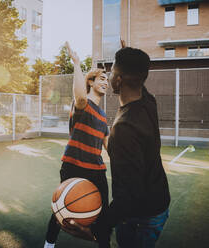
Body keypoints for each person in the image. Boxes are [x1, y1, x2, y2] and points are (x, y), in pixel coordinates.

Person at [68, 45, 171, 248]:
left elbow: (128, 197)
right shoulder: (150, 103)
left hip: (141, 217)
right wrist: (128, 57)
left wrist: (96, 230)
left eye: (113, 71)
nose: (109, 75)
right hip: (159, 203)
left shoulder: (124, 128)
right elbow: (139, 77)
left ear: (118, 80)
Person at [43, 42, 111, 248]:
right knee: (62, 209)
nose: (106, 82)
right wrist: (77, 63)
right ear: (90, 82)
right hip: (73, 166)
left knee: (104, 216)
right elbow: (80, 95)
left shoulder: (104, 116)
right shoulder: (82, 104)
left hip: (97, 171)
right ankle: (49, 244)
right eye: (101, 78)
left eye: (107, 79)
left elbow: (110, 148)